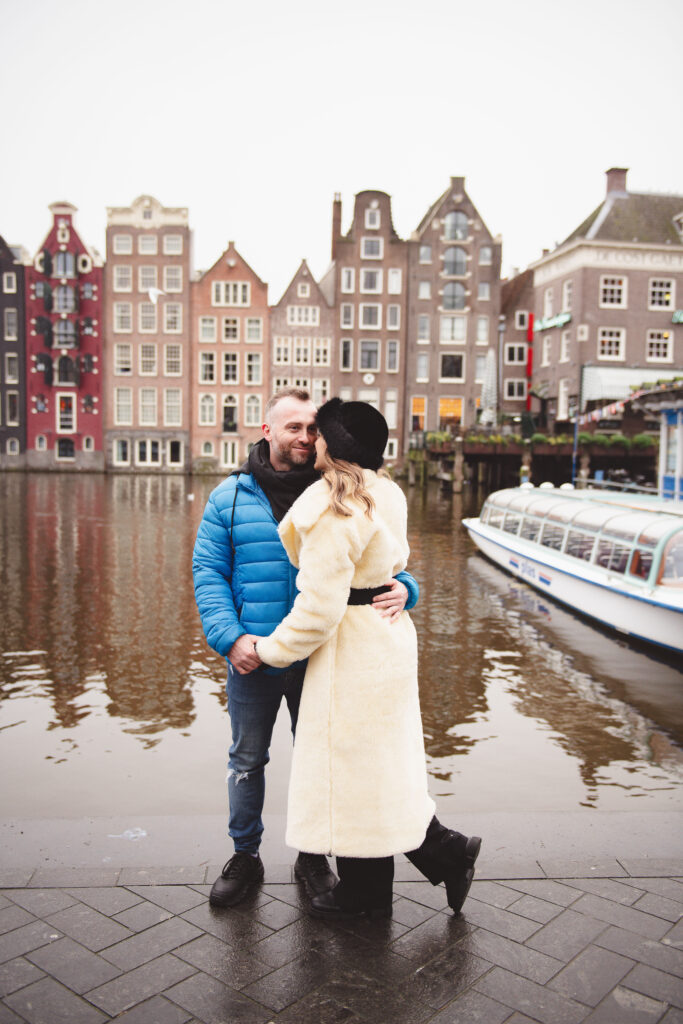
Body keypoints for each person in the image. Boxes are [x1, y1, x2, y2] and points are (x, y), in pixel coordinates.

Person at [253, 398, 481, 919]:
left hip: (350, 651)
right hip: (386, 638)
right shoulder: (386, 493)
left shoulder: (331, 508)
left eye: (321, 433)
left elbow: (318, 609)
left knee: (352, 770)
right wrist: (405, 588)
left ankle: (367, 893)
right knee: (378, 767)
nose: (312, 440)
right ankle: (440, 855)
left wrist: (268, 651)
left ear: (334, 446)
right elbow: (388, 567)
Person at [192, 387, 419, 908]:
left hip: (323, 657)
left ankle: (313, 856)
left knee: (321, 760)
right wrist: (230, 638)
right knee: (247, 758)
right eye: (293, 427)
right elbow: (208, 572)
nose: (304, 436)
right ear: (267, 430)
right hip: (253, 655)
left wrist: (408, 588)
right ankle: (245, 855)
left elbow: (384, 558)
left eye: (312, 428)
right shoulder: (229, 497)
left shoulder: (339, 488)